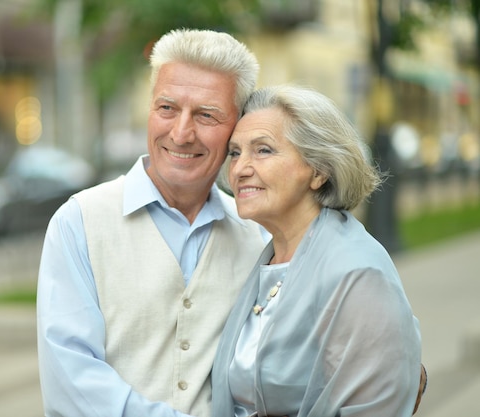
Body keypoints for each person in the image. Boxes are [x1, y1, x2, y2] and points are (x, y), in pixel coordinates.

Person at [36, 28, 267, 417]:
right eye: (167, 108)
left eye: (206, 115)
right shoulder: (79, 223)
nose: (181, 133)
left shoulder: (256, 237)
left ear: (237, 128)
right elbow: (71, 381)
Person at [211, 84, 423, 417]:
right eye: (235, 153)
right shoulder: (268, 259)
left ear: (318, 171)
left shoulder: (356, 273)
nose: (239, 169)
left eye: (263, 150)